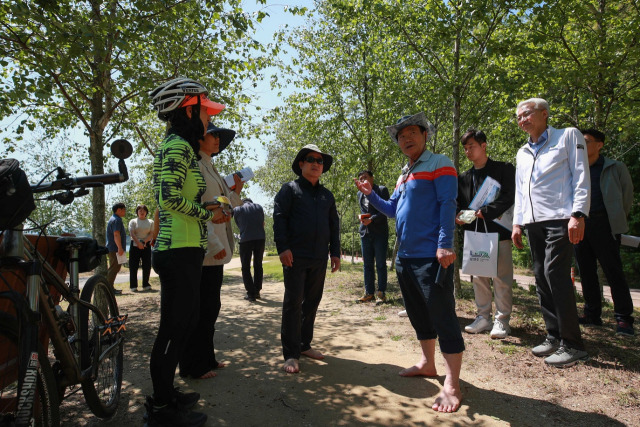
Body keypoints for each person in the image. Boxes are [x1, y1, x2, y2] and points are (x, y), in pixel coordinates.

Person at [355, 112, 464, 413]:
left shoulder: (440, 163)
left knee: (443, 316)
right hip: (405, 258)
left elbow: (447, 204)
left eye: (412, 132)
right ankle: (428, 364)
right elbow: (392, 210)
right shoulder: (405, 172)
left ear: (425, 135)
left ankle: (452, 383)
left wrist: (444, 244)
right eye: (401, 136)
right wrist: (371, 195)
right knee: (419, 315)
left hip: (432, 256)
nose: (406, 138)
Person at [145, 77, 227, 427]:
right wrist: (207, 211)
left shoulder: (183, 146)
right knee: (174, 327)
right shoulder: (177, 146)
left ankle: (169, 394)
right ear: (187, 109)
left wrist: (207, 204)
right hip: (176, 249)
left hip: (188, 248)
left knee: (186, 321)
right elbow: (168, 200)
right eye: (204, 110)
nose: (209, 118)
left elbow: (184, 197)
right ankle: (161, 408)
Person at [512, 98, 590, 368]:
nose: (522, 119)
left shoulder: (568, 136)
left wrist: (578, 214)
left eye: (526, 114)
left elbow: (581, 174)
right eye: (518, 117)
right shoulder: (522, 152)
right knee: (540, 277)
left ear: (544, 114)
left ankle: (573, 344)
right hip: (534, 222)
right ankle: (553, 335)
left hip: (561, 218)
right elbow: (521, 190)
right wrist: (517, 223)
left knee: (555, 274)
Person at [179, 123, 243, 380]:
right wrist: (213, 245)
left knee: (210, 306)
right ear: (199, 137)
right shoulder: (195, 166)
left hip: (214, 247)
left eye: (218, 135)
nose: (217, 139)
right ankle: (192, 366)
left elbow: (225, 204)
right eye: (212, 134)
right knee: (199, 309)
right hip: (204, 248)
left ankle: (207, 358)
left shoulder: (209, 165)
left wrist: (236, 191)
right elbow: (197, 207)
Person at [273, 144, 340, 374]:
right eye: (310, 159)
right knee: (293, 303)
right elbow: (279, 218)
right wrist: (282, 248)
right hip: (295, 257)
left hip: (319, 257)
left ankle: (304, 345)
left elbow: (334, 226)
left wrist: (336, 253)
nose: (315, 164)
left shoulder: (326, 196)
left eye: (320, 161)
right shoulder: (289, 190)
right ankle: (291, 354)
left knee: (312, 301)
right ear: (301, 164)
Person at [574, 128, 635, 336]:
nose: (581, 146)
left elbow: (627, 198)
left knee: (613, 272)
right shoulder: (575, 168)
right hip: (581, 225)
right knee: (586, 272)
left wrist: (615, 220)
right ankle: (592, 314)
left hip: (606, 225)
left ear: (599, 145)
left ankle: (624, 320)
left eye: (586, 141)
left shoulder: (615, 167)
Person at [456, 129, 515, 339]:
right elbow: (459, 206)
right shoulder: (463, 178)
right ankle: (483, 317)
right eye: (465, 148)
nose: (467, 151)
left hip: (499, 232)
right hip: (474, 234)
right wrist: (458, 217)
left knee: (501, 278)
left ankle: (502, 320)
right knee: (479, 277)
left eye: (471, 146)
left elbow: (509, 196)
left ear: (484, 145)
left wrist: (486, 212)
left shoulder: (504, 169)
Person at [356, 170, 390, 305]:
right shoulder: (359, 193)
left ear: (372, 178)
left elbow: (387, 210)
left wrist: (372, 219)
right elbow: (365, 211)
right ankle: (369, 293)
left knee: (381, 264)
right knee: (367, 264)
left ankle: (381, 293)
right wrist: (363, 218)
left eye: (365, 177)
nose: (363, 180)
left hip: (380, 233)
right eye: (360, 178)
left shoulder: (381, 190)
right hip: (365, 232)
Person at [233, 198, 266, 301]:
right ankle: (257, 291)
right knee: (258, 264)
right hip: (260, 238)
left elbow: (239, 225)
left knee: (245, 266)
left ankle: (251, 293)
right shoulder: (259, 207)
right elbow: (262, 223)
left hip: (246, 239)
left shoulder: (237, 209)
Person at [128, 204, 154, 292]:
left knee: (147, 265)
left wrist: (145, 242)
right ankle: (133, 286)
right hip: (135, 245)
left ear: (146, 212)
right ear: (137, 212)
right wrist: (138, 243)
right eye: (140, 211)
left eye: (143, 210)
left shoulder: (150, 222)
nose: (142, 212)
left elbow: (151, 233)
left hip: (146, 245)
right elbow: (132, 233)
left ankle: (146, 284)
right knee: (133, 265)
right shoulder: (133, 221)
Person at [105, 202, 126, 295]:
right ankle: (108, 289)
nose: (125, 211)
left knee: (115, 268)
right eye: (124, 209)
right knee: (114, 268)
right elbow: (116, 234)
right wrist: (120, 248)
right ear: (119, 210)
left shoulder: (114, 219)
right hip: (115, 248)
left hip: (114, 248)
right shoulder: (117, 220)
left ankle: (110, 287)